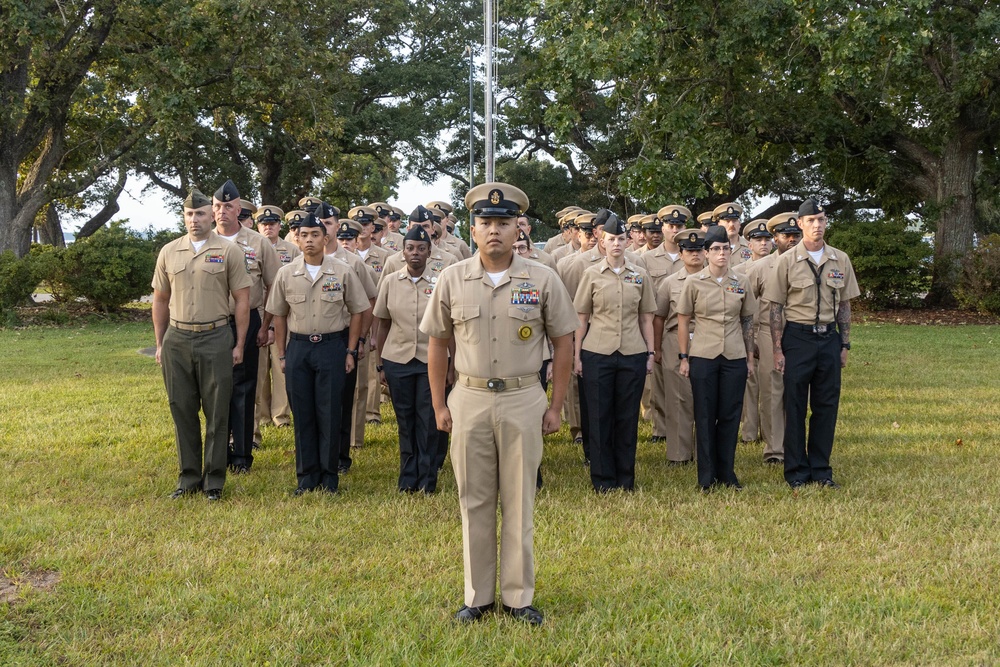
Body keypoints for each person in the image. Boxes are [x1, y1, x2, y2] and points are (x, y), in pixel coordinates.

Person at [420, 182, 577, 627]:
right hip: (468, 398)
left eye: (503, 223)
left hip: (523, 396)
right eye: (486, 223)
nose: (494, 231)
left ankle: (518, 596)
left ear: (518, 229)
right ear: (472, 230)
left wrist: (555, 405)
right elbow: (437, 345)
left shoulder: (542, 278)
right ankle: (478, 596)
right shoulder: (452, 278)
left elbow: (563, 343)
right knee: (474, 500)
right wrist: (439, 405)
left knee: (520, 499)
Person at [152, 188, 252, 501]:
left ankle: (214, 482)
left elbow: (243, 300)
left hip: (216, 336)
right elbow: (160, 299)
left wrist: (239, 345)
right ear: (184, 217)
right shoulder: (169, 251)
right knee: (181, 409)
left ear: (212, 215)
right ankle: (188, 478)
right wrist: (159, 343)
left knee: (217, 412)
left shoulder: (228, 251)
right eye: (189, 214)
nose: (195, 220)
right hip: (177, 339)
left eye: (200, 214)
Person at [265, 213, 368, 494]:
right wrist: (283, 354)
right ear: (296, 240)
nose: (309, 240)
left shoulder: (343, 271)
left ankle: (329, 477)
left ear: (326, 239)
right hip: (298, 348)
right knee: (304, 414)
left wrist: (350, 349)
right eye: (304, 235)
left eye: (315, 235)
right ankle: (307, 477)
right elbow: (279, 316)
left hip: (332, 346)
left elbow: (359, 310)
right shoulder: (286, 274)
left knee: (331, 411)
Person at [765, 197, 860, 489]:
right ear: (800, 224)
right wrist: (778, 349)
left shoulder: (839, 259)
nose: (816, 225)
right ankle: (796, 471)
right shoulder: (786, 261)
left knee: (826, 405)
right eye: (810, 221)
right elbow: (775, 309)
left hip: (828, 338)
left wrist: (844, 344)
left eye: (820, 219)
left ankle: (821, 469)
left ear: (826, 221)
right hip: (798, 338)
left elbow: (844, 304)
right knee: (794, 405)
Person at [573, 212, 656, 492]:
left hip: (632, 351)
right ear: (602, 241)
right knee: (599, 418)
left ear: (628, 241)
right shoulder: (591, 274)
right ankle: (603, 480)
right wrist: (576, 356)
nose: (617, 244)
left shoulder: (640, 275)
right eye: (611, 239)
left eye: (621, 239)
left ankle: (625, 478)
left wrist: (651, 353)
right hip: (597, 351)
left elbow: (646, 318)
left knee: (627, 418)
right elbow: (581, 318)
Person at [677, 225, 757, 492]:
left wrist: (749, 357)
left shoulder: (741, 282)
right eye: (715, 249)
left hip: (733, 355)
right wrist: (684, 357)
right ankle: (706, 476)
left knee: (730, 415)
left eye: (725, 248)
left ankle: (727, 473)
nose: (721, 253)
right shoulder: (694, 282)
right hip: (703, 355)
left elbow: (747, 320)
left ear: (731, 251)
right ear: (706, 253)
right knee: (705, 414)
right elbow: (683, 319)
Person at [375, 225, 453, 493]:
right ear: (403, 251)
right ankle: (408, 478)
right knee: (405, 421)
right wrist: (380, 363)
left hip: (431, 361)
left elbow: (449, 326)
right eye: (410, 248)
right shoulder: (390, 281)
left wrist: (452, 364)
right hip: (398, 359)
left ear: (429, 252)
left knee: (429, 422)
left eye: (421, 248)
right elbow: (382, 324)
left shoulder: (442, 280)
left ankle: (427, 480)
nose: (415, 253)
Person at [212, 180, 280, 474]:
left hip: (248, 320)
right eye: (217, 207)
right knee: (214, 388)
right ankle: (218, 451)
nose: (222, 212)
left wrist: (269, 325)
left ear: (239, 209)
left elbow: (275, 285)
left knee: (244, 387)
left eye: (228, 206)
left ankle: (241, 454)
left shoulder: (257, 242)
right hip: (211, 323)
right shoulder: (205, 243)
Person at [745, 212, 801, 464]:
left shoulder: (808, 263)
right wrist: (750, 340)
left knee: (797, 390)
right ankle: (775, 449)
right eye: (785, 235)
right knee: (772, 392)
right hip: (768, 333)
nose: (791, 239)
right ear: (775, 238)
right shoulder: (759, 268)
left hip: (801, 332)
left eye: (795, 235)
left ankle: (794, 445)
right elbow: (744, 306)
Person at [653, 229, 706, 465]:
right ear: (681, 253)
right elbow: (659, 318)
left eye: (699, 250)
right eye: (689, 250)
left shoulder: (716, 278)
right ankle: (678, 454)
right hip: (675, 339)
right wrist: (657, 348)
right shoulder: (669, 283)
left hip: (708, 338)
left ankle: (705, 450)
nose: (695, 254)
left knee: (705, 398)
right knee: (677, 399)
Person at [254, 205, 299, 445]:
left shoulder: (291, 250)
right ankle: (261, 416)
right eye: (263, 223)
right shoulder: (250, 248)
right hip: (258, 315)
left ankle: (281, 415)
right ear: (257, 225)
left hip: (283, 316)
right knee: (259, 370)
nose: (268, 227)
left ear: (279, 226)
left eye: (272, 223)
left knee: (282, 367)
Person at [736, 219, 774, 445]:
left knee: (770, 383)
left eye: (766, 239)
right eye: (758, 240)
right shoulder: (739, 271)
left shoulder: (779, 266)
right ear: (748, 244)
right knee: (750, 383)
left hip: (770, 330)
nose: (763, 244)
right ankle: (749, 432)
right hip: (750, 329)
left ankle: (770, 432)